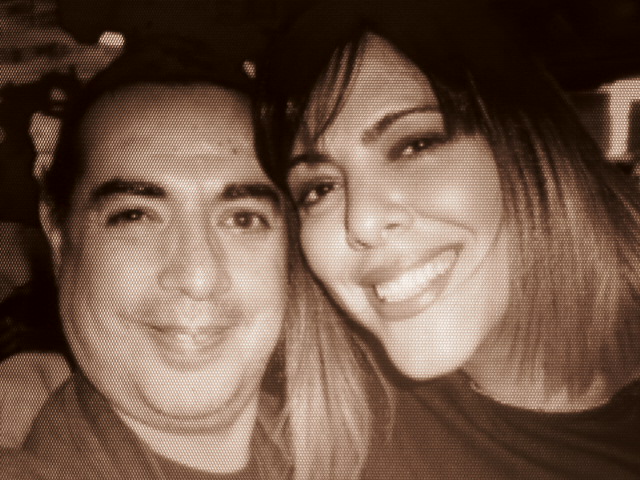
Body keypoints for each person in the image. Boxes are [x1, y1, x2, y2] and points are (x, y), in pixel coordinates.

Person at [255, 0, 640, 478]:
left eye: (414, 146)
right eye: (319, 188)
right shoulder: (300, 421)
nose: (363, 221)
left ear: (532, 150)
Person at [0, 37, 372, 480]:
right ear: (59, 237)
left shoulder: (380, 436)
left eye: (243, 219)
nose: (198, 276)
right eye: (135, 216)